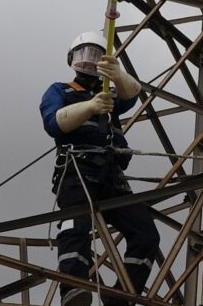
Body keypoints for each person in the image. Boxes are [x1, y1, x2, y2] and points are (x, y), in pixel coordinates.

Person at [39, 31, 160, 306]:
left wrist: (117, 74)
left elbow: (132, 95)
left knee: (145, 233)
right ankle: (74, 288)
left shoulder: (107, 95)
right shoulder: (60, 91)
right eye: (85, 55)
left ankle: (123, 295)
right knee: (74, 225)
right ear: (73, 59)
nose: (90, 62)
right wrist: (90, 107)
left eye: (96, 55)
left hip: (111, 176)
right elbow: (54, 123)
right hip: (77, 171)